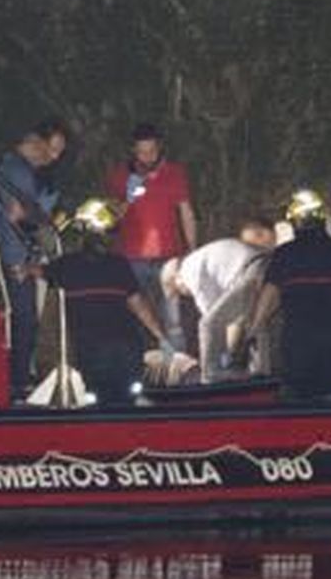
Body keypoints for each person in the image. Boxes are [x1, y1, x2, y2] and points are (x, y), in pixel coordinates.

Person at [24, 199, 174, 406]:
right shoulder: (119, 265)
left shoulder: (67, 265)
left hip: (94, 353)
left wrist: (22, 269)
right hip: (126, 350)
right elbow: (139, 305)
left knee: (99, 401)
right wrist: (161, 337)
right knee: (127, 399)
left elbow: (35, 271)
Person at [243, 190, 331, 399]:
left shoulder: (285, 254)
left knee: (297, 398)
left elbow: (269, 295)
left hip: (299, 343)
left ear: (294, 223)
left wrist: (254, 329)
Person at [0, 120, 68, 398]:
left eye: (60, 153)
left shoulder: (10, 166)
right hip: (14, 254)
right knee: (24, 320)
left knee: (21, 319)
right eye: (52, 149)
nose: (53, 157)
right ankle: (17, 383)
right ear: (34, 140)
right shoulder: (18, 171)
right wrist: (43, 216)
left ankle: (15, 378)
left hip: (11, 251)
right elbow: (18, 214)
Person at [104, 124, 197, 350]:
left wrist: (192, 250)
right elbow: (111, 220)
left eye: (152, 151)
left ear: (160, 148)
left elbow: (186, 213)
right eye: (142, 152)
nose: (147, 157)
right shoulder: (120, 175)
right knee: (135, 317)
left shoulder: (174, 173)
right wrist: (128, 197)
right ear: (133, 151)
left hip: (169, 255)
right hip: (131, 257)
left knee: (173, 318)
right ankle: (139, 364)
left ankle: (178, 365)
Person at [161, 220, 276, 382]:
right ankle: (262, 370)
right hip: (266, 267)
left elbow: (209, 312)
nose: (186, 295)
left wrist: (219, 351)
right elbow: (227, 312)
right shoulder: (204, 259)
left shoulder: (187, 270)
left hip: (250, 271)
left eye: (180, 292)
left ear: (176, 279)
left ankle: (210, 376)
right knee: (255, 322)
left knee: (207, 324)